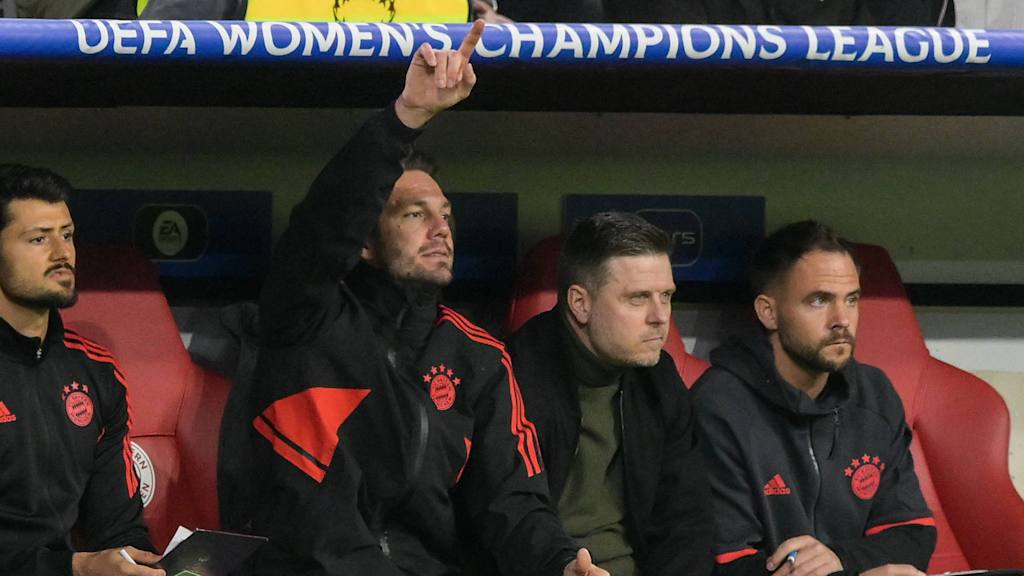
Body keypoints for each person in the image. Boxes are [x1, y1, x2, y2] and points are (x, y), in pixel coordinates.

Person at [245, 20, 607, 576]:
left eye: (447, 217)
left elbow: (513, 500)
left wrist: (560, 563)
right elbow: (322, 225)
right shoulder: (307, 316)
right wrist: (405, 119)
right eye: (415, 215)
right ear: (365, 241)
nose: (441, 230)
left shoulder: (478, 357)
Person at [693, 220, 936, 576]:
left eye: (851, 300)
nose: (841, 320)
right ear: (768, 312)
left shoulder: (875, 393)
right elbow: (730, 563)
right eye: (819, 300)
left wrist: (841, 559)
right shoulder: (718, 405)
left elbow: (914, 534)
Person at [507, 212, 714, 576]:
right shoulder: (513, 376)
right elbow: (510, 518)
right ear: (580, 303)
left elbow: (687, 521)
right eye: (637, 299)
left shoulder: (659, 378)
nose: (660, 316)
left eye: (666, 296)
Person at [0, 165, 162, 576]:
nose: (62, 253)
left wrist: (145, 565)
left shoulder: (96, 369)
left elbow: (117, 528)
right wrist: (74, 568)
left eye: (67, 235)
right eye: (39, 238)